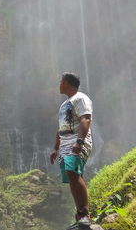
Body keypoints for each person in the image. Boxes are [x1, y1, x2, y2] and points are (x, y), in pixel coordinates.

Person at [50, 72, 93, 229]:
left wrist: (80, 141)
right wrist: (55, 148)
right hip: (65, 145)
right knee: (71, 176)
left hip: (77, 142)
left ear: (67, 83)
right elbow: (61, 128)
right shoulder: (64, 105)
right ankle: (79, 214)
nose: (59, 84)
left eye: (61, 81)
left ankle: (85, 213)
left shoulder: (80, 98)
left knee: (73, 173)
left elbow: (85, 118)